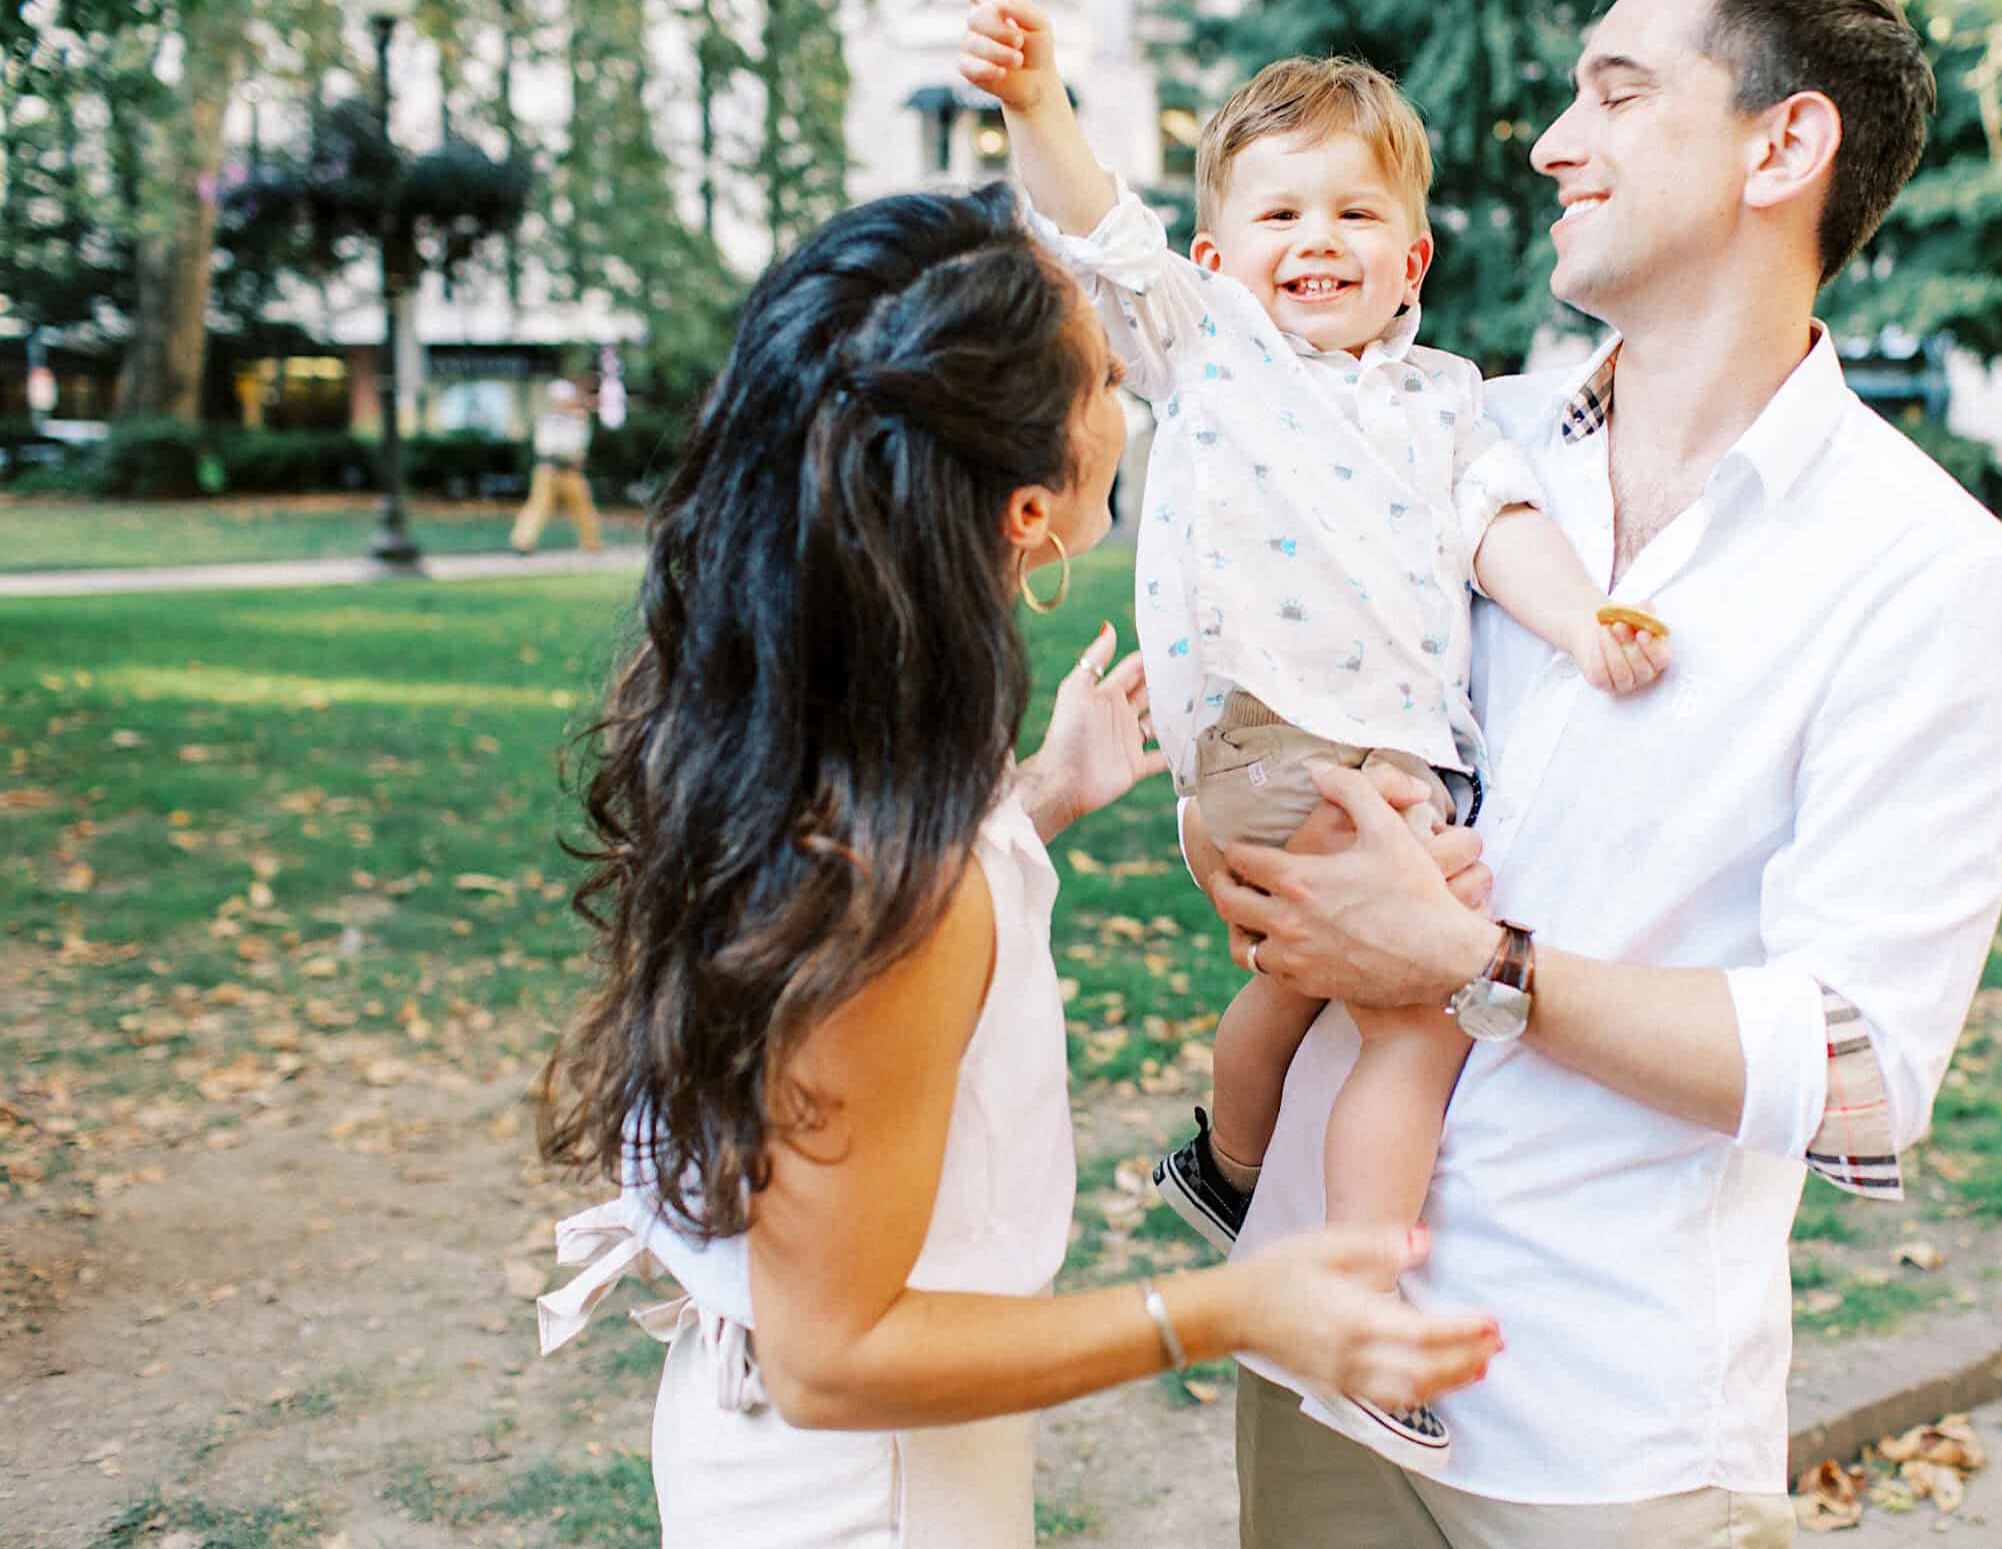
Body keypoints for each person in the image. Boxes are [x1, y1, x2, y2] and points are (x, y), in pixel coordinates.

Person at [1200, 0, 2002, 1547]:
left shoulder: (1928, 572)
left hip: (1602, 1430)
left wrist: (1473, 962)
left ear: (1782, 144)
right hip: (1312, 1335)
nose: (1548, 142)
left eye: (1616, 92)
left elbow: (1858, 1072)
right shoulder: (1446, 433)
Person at [529, 184, 1502, 1548]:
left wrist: (1035, 800)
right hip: (864, 1485)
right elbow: (833, 1352)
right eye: (1105, 375)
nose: (1128, 398)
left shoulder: (819, 716)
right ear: (1029, 508)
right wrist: (1225, 1306)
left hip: (809, 1447)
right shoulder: (900, 877)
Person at [929, 0, 1671, 1474]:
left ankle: (1233, 1159)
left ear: (1413, 261)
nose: (1315, 241)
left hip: (1386, 757)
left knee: (1315, 975)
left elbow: (1497, 526)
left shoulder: (1441, 398)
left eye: (1353, 214)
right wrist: (1036, 96)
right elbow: (1092, 222)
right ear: (1217, 254)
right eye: (1278, 215)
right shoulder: (1215, 353)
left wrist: (1579, 618)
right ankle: (1363, 1307)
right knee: (1416, 1016)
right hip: (1277, 735)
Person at [511, 376, 606, 554]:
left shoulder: (578, 420)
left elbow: (580, 447)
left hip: (571, 471)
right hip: (549, 469)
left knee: (583, 507)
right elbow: (546, 447)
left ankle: (592, 543)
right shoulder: (549, 421)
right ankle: (523, 542)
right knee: (538, 506)